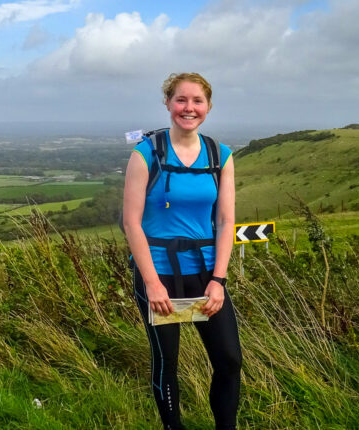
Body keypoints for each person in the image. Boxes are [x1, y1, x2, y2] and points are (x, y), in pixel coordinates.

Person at [122, 73, 241, 429]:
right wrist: (152, 283)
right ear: (168, 103)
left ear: (208, 107)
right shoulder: (145, 154)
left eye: (197, 101)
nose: (189, 108)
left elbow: (225, 221)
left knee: (229, 359)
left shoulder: (221, 155)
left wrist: (219, 279)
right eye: (181, 100)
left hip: (206, 275)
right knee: (167, 361)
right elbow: (131, 223)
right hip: (158, 273)